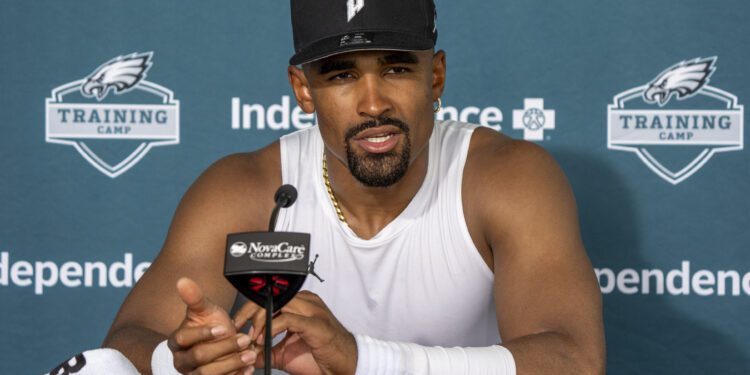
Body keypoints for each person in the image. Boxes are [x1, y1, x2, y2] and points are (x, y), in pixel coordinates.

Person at [103, 0, 605, 374]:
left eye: (397, 68)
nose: (373, 103)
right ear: (303, 89)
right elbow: (124, 344)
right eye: (342, 74)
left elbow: (572, 359)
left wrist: (361, 358)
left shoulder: (505, 177)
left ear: (436, 78)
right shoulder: (249, 187)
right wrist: (184, 358)